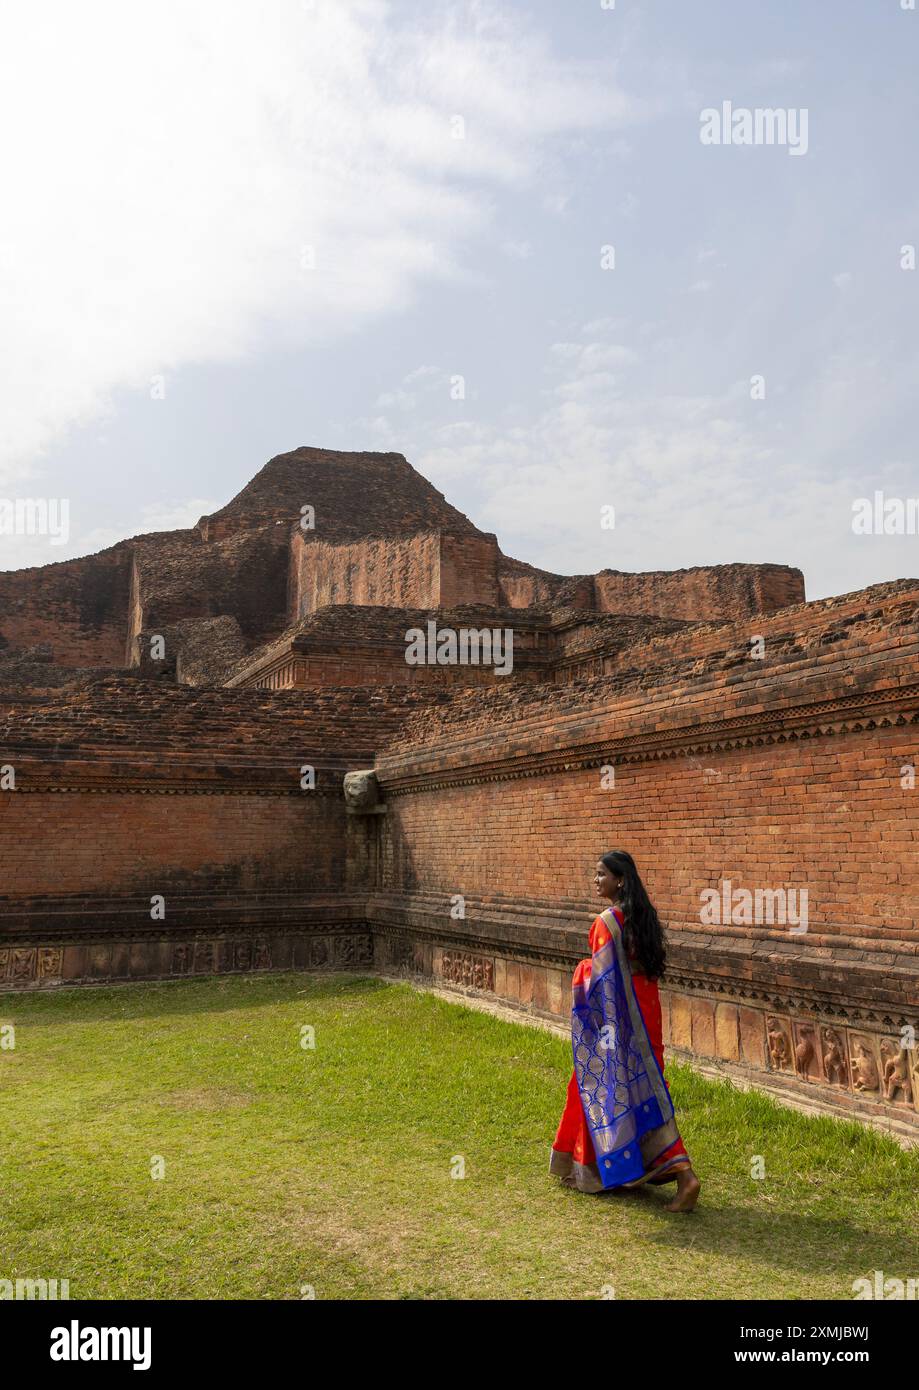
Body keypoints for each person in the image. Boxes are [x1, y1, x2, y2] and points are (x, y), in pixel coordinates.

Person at [550, 850, 701, 1213]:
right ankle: (636, 1171)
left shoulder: (607, 922)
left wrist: (581, 970)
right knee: (645, 1094)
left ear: (620, 879)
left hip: (617, 1028)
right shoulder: (641, 918)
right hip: (645, 1022)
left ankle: (683, 1175)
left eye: (602, 874)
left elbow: (601, 983)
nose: (596, 880)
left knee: (603, 1089)